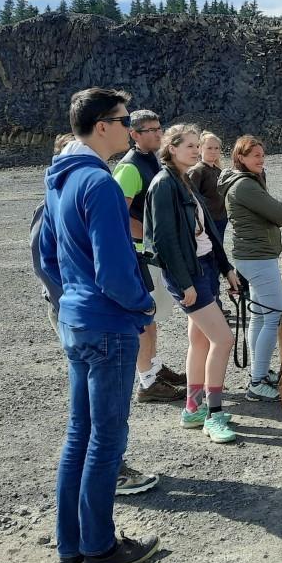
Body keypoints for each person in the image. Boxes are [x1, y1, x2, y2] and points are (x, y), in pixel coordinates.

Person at [38, 88, 160, 563]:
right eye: (125, 119)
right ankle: (100, 549)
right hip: (108, 324)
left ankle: (72, 550)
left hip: (76, 319)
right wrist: (144, 304)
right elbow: (115, 270)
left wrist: (72, 296)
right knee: (106, 440)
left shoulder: (58, 179)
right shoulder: (101, 184)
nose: (130, 127)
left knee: (79, 436)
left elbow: (46, 253)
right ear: (102, 125)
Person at [144, 124, 241, 444]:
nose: (197, 150)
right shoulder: (163, 184)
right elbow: (165, 241)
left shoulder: (185, 180)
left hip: (206, 269)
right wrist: (185, 284)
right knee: (223, 340)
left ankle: (192, 408)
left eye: (198, 145)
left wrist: (226, 268)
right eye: (189, 146)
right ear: (171, 148)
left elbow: (208, 232)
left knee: (200, 342)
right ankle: (213, 415)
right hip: (190, 275)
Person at [112, 110, 185, 403]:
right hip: (140, 255)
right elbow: (118, 213)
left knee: (151, 318)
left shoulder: (153, 160)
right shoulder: (129, 168)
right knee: (143, 320)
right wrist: (153, 233)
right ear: (134, 134)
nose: (158, 133)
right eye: (150, 130)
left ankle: (152, 369)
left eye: (159, 128)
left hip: (151, 253)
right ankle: (147, 382)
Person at [218, 135, 282, 401]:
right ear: (241, 158)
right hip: (258, 258)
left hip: (251, 257)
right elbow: (279, 214)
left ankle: (258, 372)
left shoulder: (244, 182)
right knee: (274, 316)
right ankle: (257, 381)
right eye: (255, 155)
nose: (261, 159)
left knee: (259, 315)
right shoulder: (245, 186)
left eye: (262, 154)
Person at [187, 131, 228, 239]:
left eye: (216, 148)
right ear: (200, 149)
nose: (213, 151)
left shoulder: (218, 171)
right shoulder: (197, 171)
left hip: (221, 219)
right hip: (206, 221)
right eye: (209, 148)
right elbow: (190, 197)